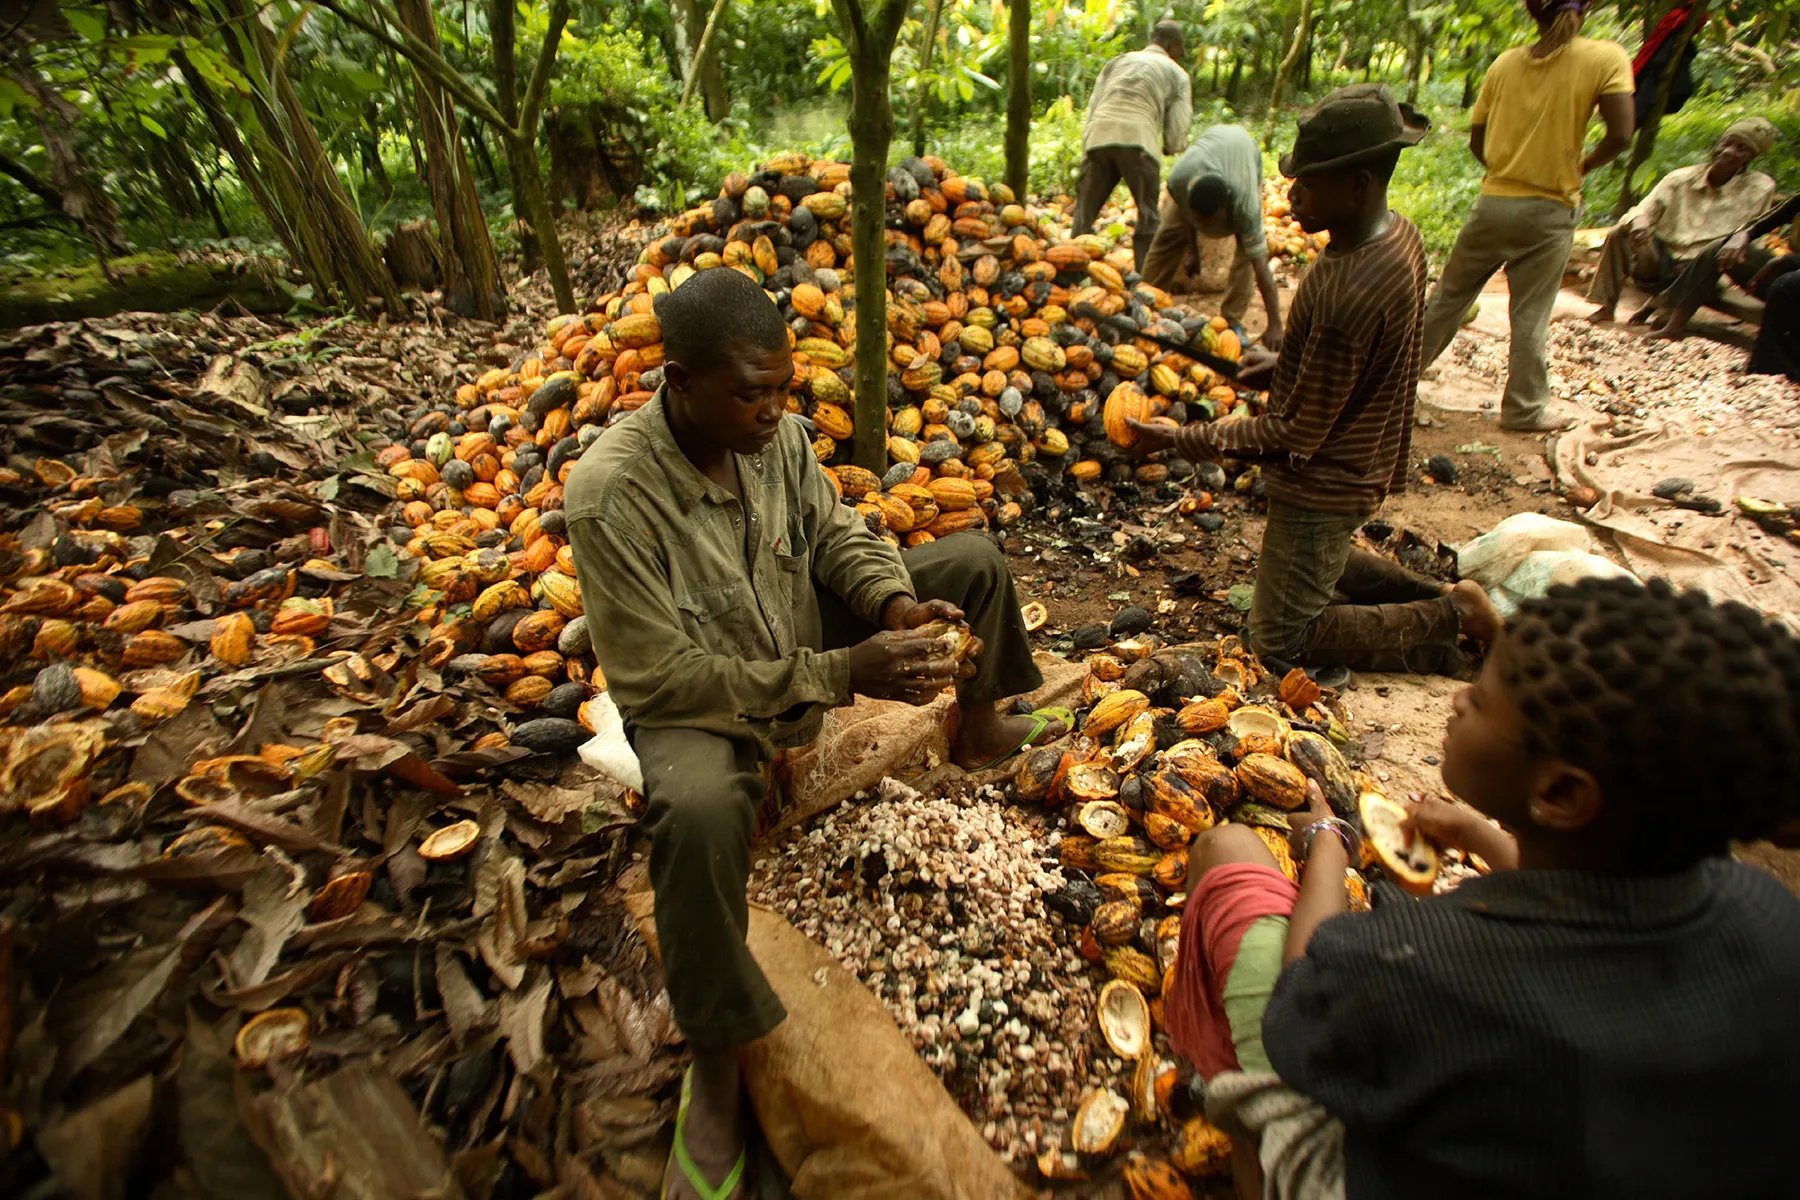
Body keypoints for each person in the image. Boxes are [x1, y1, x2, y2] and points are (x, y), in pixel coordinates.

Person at [561, 268, 1063, 1199]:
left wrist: (894, 601)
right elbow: (660, 678)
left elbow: (833, 535)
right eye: (751, 391)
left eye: (783, 388)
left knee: (976, 563)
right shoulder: (610, 496)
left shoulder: (780, 438)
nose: (775, 409)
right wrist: (840, 674)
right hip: (701, 694)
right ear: (679, 380)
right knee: (701, 808)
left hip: (790, 625)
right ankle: (715, 1066)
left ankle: (982, 725)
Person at [1165, 576, 1800, 1198]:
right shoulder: (1769, 916)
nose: (1459, 700)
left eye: (1482, 697)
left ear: (1559, 793)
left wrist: (1329, 840)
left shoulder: (1427, 960)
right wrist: (1492, 841)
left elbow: (1296, 1005)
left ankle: (1254, 1168)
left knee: (1229, 852)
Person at [1128, 85, 1501, 677]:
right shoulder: (1399, 235)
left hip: (1326, 477)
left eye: (1311, 181)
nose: (1292, 193)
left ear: (1360, 184)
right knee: (1316, 560)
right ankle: (1436, 596)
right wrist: (1289, 361)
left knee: (1280, 638)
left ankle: (1451, 618)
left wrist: (1184, 439)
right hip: (1364, 451)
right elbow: (1380, 352)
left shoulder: (1346, 292)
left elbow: (1296, 431)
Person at [1417, 0, 1634, 433]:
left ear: (1531, 10)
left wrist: (1504, 172)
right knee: (1530, 314)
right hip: (1551, 208)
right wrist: (1584, 165)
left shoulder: (1505, 64)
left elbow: (1477, 140)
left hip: (1494, 203)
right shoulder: (1606, 57)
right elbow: (1622, 133)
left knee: (1447, 300)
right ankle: (1522, 409)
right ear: (1586, 6)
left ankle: (1389, 384)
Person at [1585, 119, 1778, 324]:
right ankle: (1606, 306)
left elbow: (1753, 234)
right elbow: (1641, 210)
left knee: (1708, 260)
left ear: (1750, 158)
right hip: (1661, 262)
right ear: (1718, 145)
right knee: (1619, 233)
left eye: (1741, 149)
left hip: (1705, 271)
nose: (1729, 151)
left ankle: (1666, 309)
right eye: (1727, 143)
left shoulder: (1759, 188)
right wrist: (1640, 221)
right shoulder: (1680, 179)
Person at [1139, 125, 1287, 350]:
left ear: (1225, 207)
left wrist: (1276, 325)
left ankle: (1232, 320)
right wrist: (1193, 251)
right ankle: (1142, 305)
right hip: (1208, 154)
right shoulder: (1179, 181)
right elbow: (1188, 218)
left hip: (1244, 152)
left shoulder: (1245, 204)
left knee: (1247, 256)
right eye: (1199, 220)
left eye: (1210, 221)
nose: (1205, 227)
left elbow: (1261, 266)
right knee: (1166, 238)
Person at [1070, 21, 1193, 270]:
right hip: (1140, 140)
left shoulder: (1118, 62)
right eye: (1180, 50)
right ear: (1171, 45)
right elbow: (1178, 123)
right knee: (1148, 215)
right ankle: (1145, 281)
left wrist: (1089, 148)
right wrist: (1172, 145)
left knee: (1084, 215)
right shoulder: (1177, 73)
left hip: (1099, 135)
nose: (1181, 56)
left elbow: (1095, 105)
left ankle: (1069, 271)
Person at [1649, 152, 1795, 342]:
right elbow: (1761, 223)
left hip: (1793, 278)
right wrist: (1741, 236)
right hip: (1786, 273)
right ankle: (1673, 323)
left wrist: (1785, 260)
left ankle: (1662, 302)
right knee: (1721, 247)